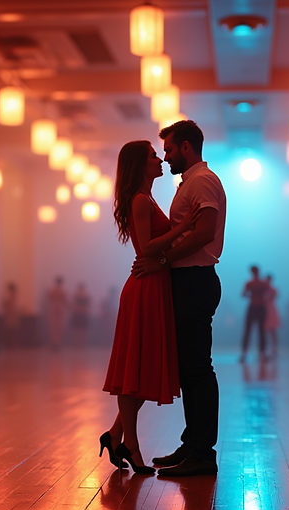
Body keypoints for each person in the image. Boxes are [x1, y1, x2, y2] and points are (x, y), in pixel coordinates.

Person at [132, 120, 226, 477]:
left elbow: (204, 232)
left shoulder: (201, 181)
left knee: (198, 368)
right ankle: (193, 445)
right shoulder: (193, 182)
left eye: (169, 149)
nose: (166, 156)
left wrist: (163, 258)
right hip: (189, 280)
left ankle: (202, 452)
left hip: (194, 280)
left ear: (186, 148)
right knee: (190, 367)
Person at [101, 140, 200, 475]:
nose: (160, 159)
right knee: (136, 370)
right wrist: (185, 227)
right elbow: (145, 249)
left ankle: (118, 436)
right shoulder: (141, 200)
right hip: (145, 287)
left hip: (153, 286)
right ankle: (131, 443)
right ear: (139, 165)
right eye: (152, 157)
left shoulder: (145, 198)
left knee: (143, 369)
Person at [239, 265, 269, 362]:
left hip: (258, 307)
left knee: (259, 331)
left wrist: (253, 295)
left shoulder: (254, 283)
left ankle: (261, 354)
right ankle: (246, 354)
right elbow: (244, 294)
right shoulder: (254, 283)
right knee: (251, 331)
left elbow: (243, 294)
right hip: (255, 307)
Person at [46, 277, 68, 350]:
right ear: (61, 283)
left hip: (53, 308)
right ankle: (57, 344)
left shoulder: (52, 291)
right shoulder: (62, 291)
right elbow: (65, 302)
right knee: (59, 327)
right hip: (60, 309)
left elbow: (49, 299)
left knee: (53, 327)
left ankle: (54, 344)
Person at [263, 274, 280, 359]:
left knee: (273, 332)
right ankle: (264, 350)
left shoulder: (273, 289)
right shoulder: (262, 289)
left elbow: (274, 296)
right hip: (264, 310)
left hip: (271, 311)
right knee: (264, 332)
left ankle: (274, 349)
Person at [1, 282, 20, 347]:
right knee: (11, 329)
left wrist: (4, 302)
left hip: (11, 314)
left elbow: (8, 304)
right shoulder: (13, 295)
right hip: (11, 314)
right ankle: (12, 342)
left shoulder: (12, 295)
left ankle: (12, 343)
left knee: (11, 330)